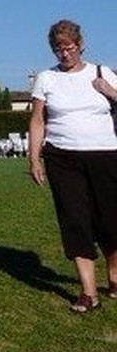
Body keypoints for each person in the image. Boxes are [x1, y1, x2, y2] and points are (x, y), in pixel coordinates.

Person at [28, 19, 117, 313]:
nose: (63, 54)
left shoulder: (102, 73)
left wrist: (110, 91)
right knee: (74, 219)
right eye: (57, 49)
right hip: (62, 157)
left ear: (81, 45)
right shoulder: (46, 78)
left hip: (105, 155)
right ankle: (89, 293)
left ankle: (114, 274)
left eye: (68, 47)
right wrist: (34, 157)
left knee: (109, 221)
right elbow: (38, 120)